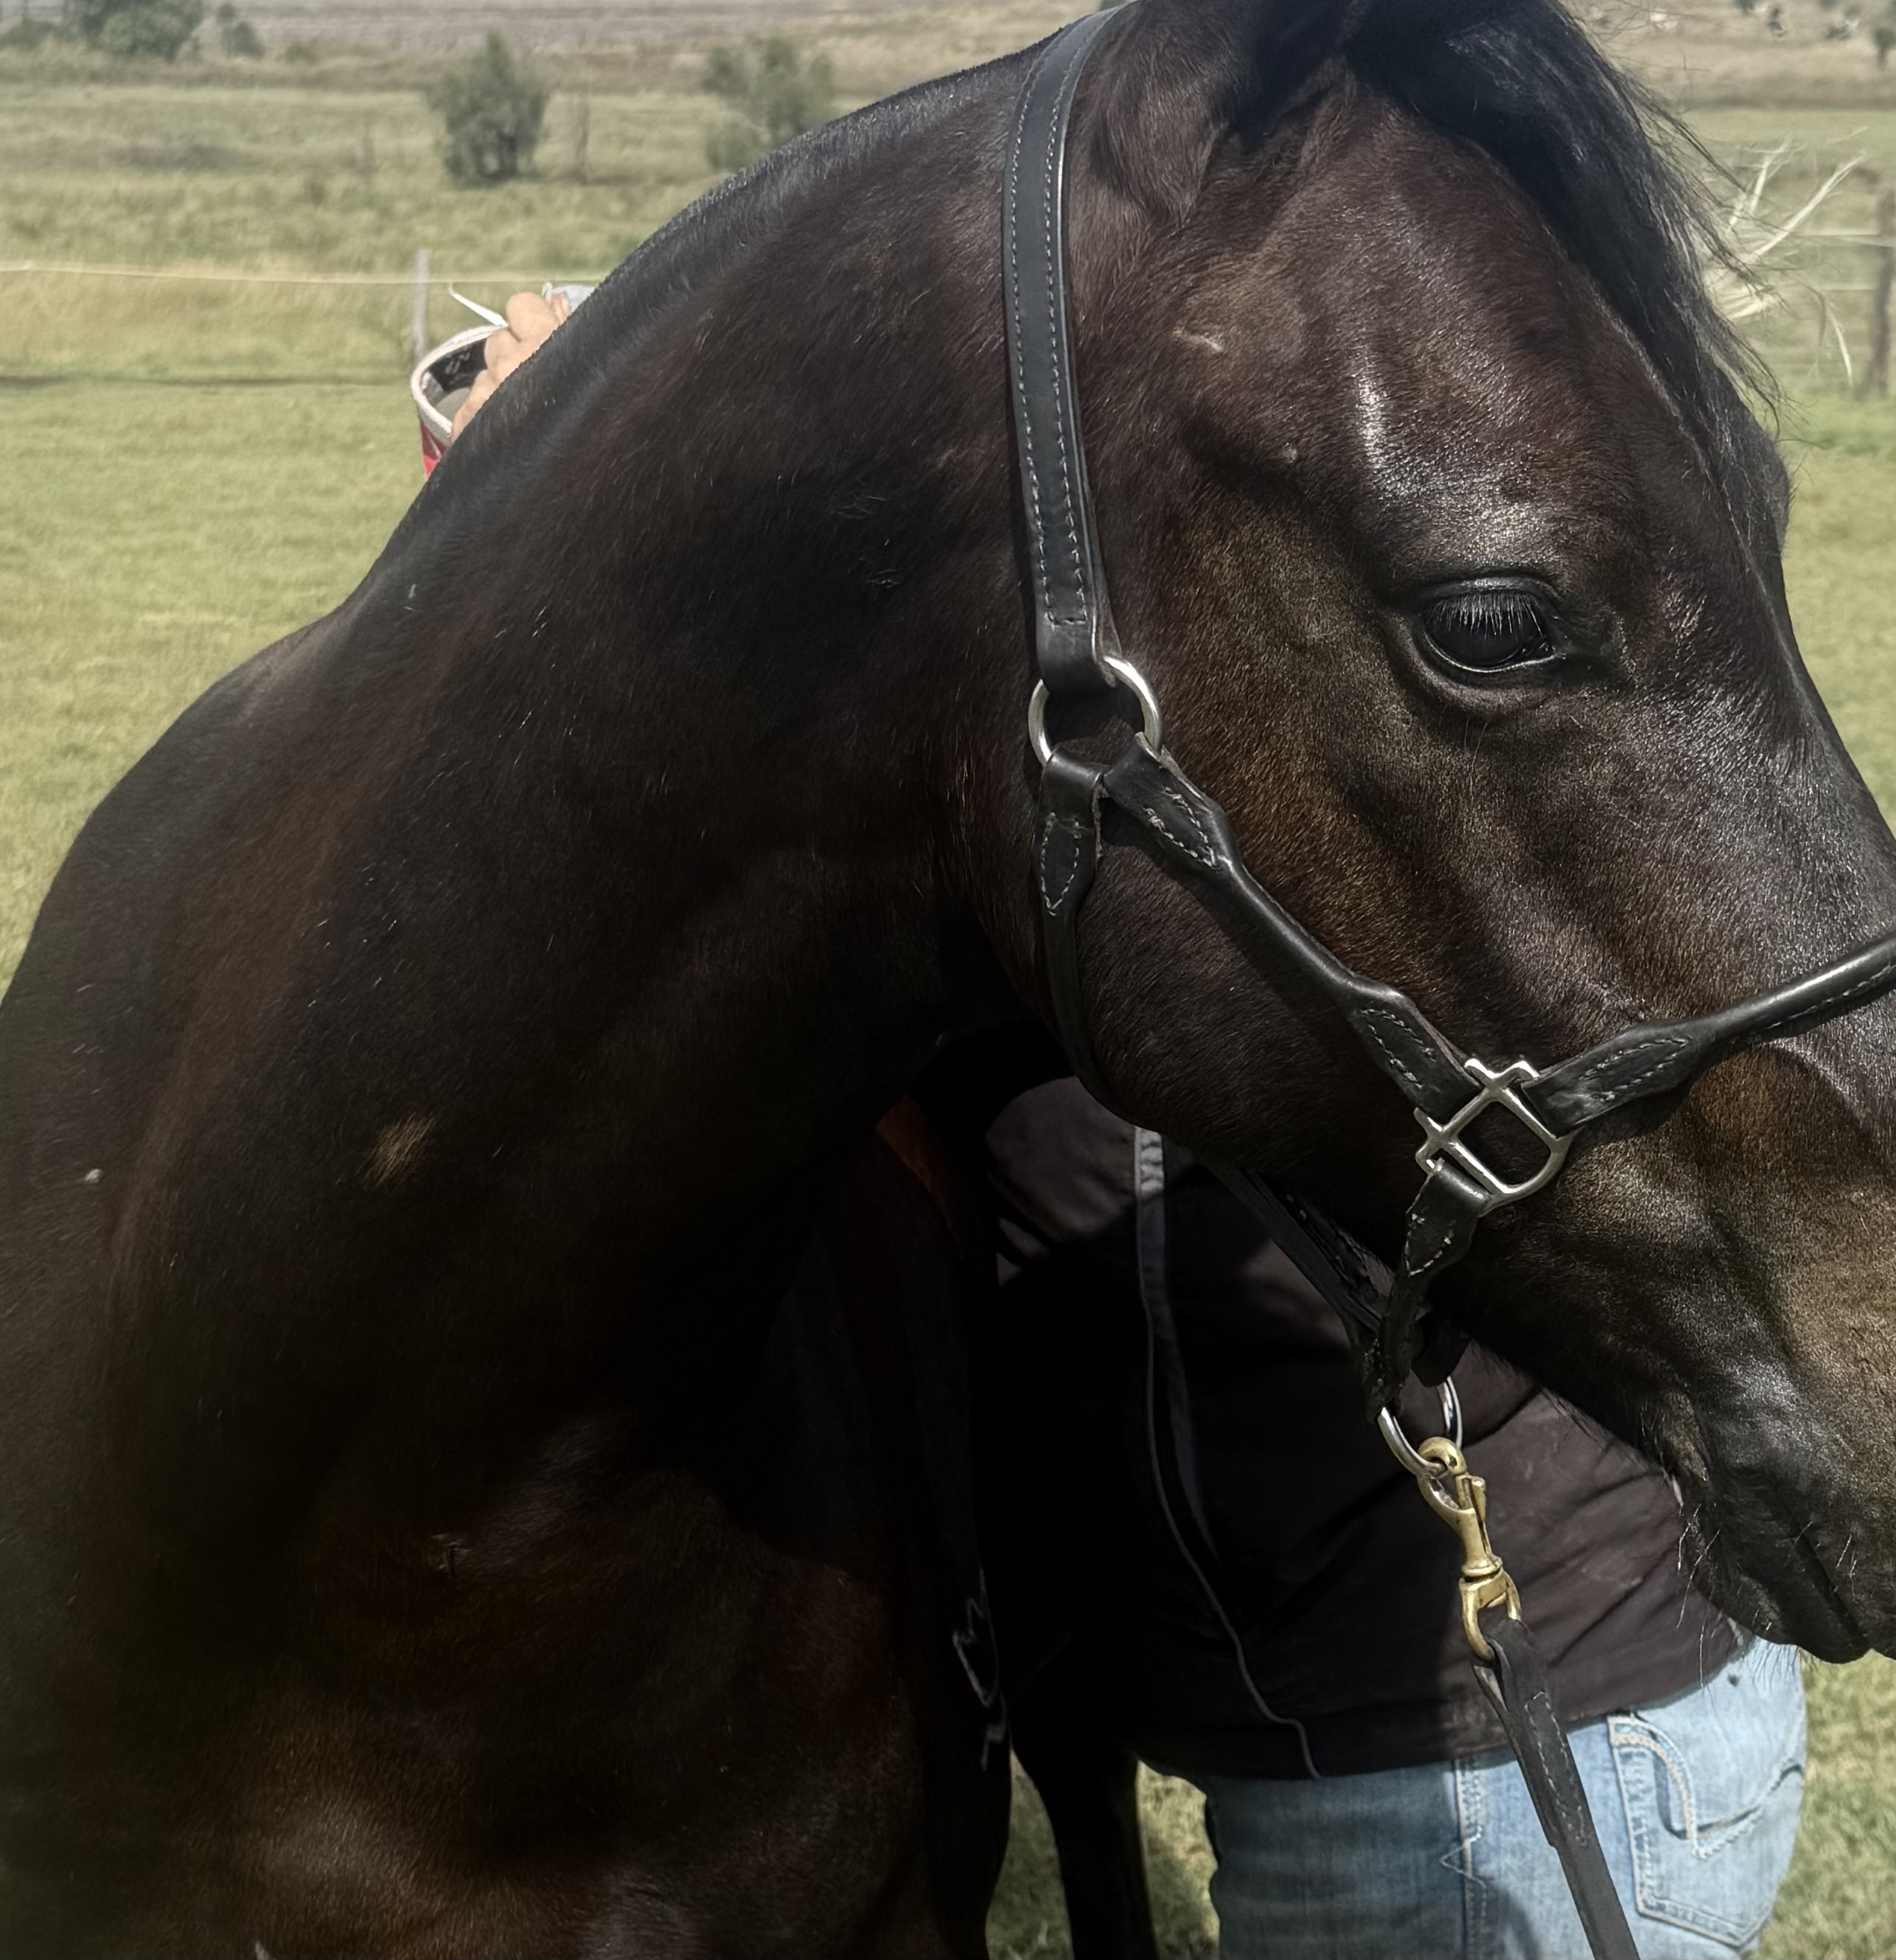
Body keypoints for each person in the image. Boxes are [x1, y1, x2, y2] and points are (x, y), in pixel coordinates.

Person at [441, 289, 1806, 1960]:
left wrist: (585, 489)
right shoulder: (1016, 743)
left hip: (1492, 1766)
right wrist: (584, 483)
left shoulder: (1256, 787)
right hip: (1385, 1732)